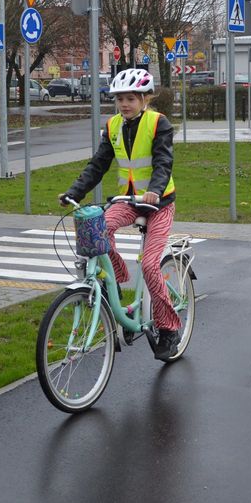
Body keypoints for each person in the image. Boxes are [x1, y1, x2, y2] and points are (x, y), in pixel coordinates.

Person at [58, 67, 181, 361]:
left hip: (158, 203)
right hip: (128, 199)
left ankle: (169, 327)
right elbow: (98, 164)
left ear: (146, 98)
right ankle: (119, 277)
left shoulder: (157, 123)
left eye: (131, 98)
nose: (124, 104)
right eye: (120, 99)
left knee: (151, 266)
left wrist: (154, 189)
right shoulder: (113, 125)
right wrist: (74, 192)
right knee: (99, 229)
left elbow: (164, 161)